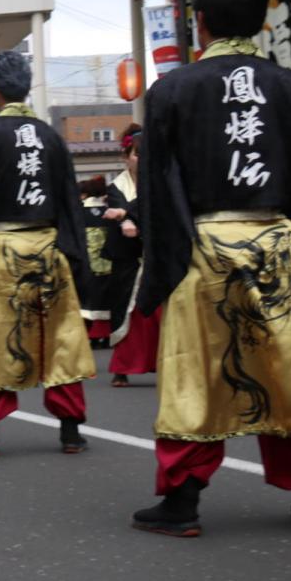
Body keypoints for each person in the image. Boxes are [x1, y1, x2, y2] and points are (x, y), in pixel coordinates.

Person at [131, 0, 291, 536]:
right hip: (281, 242)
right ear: (262, 21)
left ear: (198, 22)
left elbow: (159, 189)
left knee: (195, 374)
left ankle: (182, 501)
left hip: (201, 244)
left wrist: (160, 271)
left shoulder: (172, 90)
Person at [0, 50, 95, 459]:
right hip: (49, 247)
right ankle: (70, 430)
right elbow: (69, 199)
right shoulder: (50, 136)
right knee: (60, 337)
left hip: (4, 247)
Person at [104, 126, 160, 386]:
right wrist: (126, 219)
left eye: (145, 155)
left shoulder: (161, 184)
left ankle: (166, 365)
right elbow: (121, 214)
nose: (140, 160)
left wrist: (126, 215)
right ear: (125, 157)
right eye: (136, 155)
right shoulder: (116, 186)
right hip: (128, 259)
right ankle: (123, 368)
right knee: (127, 312)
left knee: (160, 316)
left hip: (156, 258)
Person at [78, 177, 114, 348]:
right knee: (108, 299)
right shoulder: (109, 210)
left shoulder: (79, 211)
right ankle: (107, 336)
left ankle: (91, 336)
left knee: (88, 301)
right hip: (109, 262)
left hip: (86, 264)